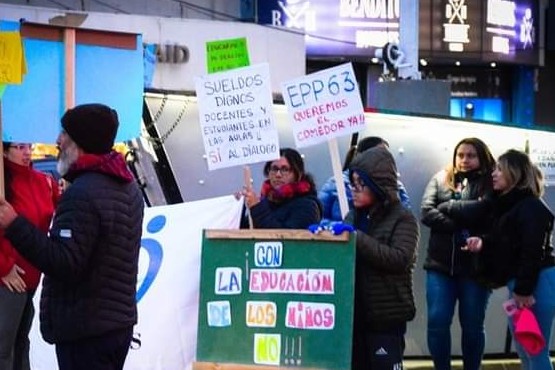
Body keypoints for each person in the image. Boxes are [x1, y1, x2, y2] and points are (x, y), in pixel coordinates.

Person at [0, 104, 144, 370]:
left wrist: (15, 224)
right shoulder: (128, 188)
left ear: (81, 141)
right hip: (115, 324)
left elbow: (64, 262)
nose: (57, 140)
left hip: (86, 328)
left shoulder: (84, 192)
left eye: (64, 133)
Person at [465, 149, 555, 370]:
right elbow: (508, 241)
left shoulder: (530, 207)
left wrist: (523, 291)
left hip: (534, 284)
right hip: (526, 283)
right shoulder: (514, 205)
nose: (493, 174)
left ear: (514, 173)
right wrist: (484, 242)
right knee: (525, 348)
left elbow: (531, 252)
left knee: (534, 350)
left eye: (499, 169)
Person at [420, 137, 496, 370]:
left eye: (471, 155)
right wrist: (459, 225)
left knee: (473, 326)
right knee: (437, 322)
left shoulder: (491, 183)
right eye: (460, 155)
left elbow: (487, 212)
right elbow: (426, 212)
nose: (464, 160)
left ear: (482, 157)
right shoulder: (441, 178)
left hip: (475, 269)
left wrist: (450, 207)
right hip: (440, 266)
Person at [345, 146, 419, 370]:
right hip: (355, 315)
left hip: (385, 316)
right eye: (353, 183)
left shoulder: (404, 219)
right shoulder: (352, 216)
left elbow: (399, 259)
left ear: (378, 185)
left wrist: (356, 238)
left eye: (361, 184)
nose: (354, 190)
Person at [0, 142, 58, 370]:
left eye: (29, 146)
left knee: (21, 344)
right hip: (8, 280)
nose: (27, 152)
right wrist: (3, 267)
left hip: (34, 278)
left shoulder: (44, 181)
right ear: (4, 151)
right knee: (4, 349)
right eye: (19, 147)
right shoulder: (4, 183)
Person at [318, 136, 411, 222]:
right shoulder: (337, 183)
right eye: (355, 184)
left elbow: (404, 221)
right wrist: (336, 229)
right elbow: (319, 218)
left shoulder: (397, 189)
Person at [240, 147, 322, 229]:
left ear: (297, 174)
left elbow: (287, 237)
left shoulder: (307, 206)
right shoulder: (266, 202)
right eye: (274, 169)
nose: (278, 175)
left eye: (285, 169)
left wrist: (257, 209)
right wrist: (240, 206)